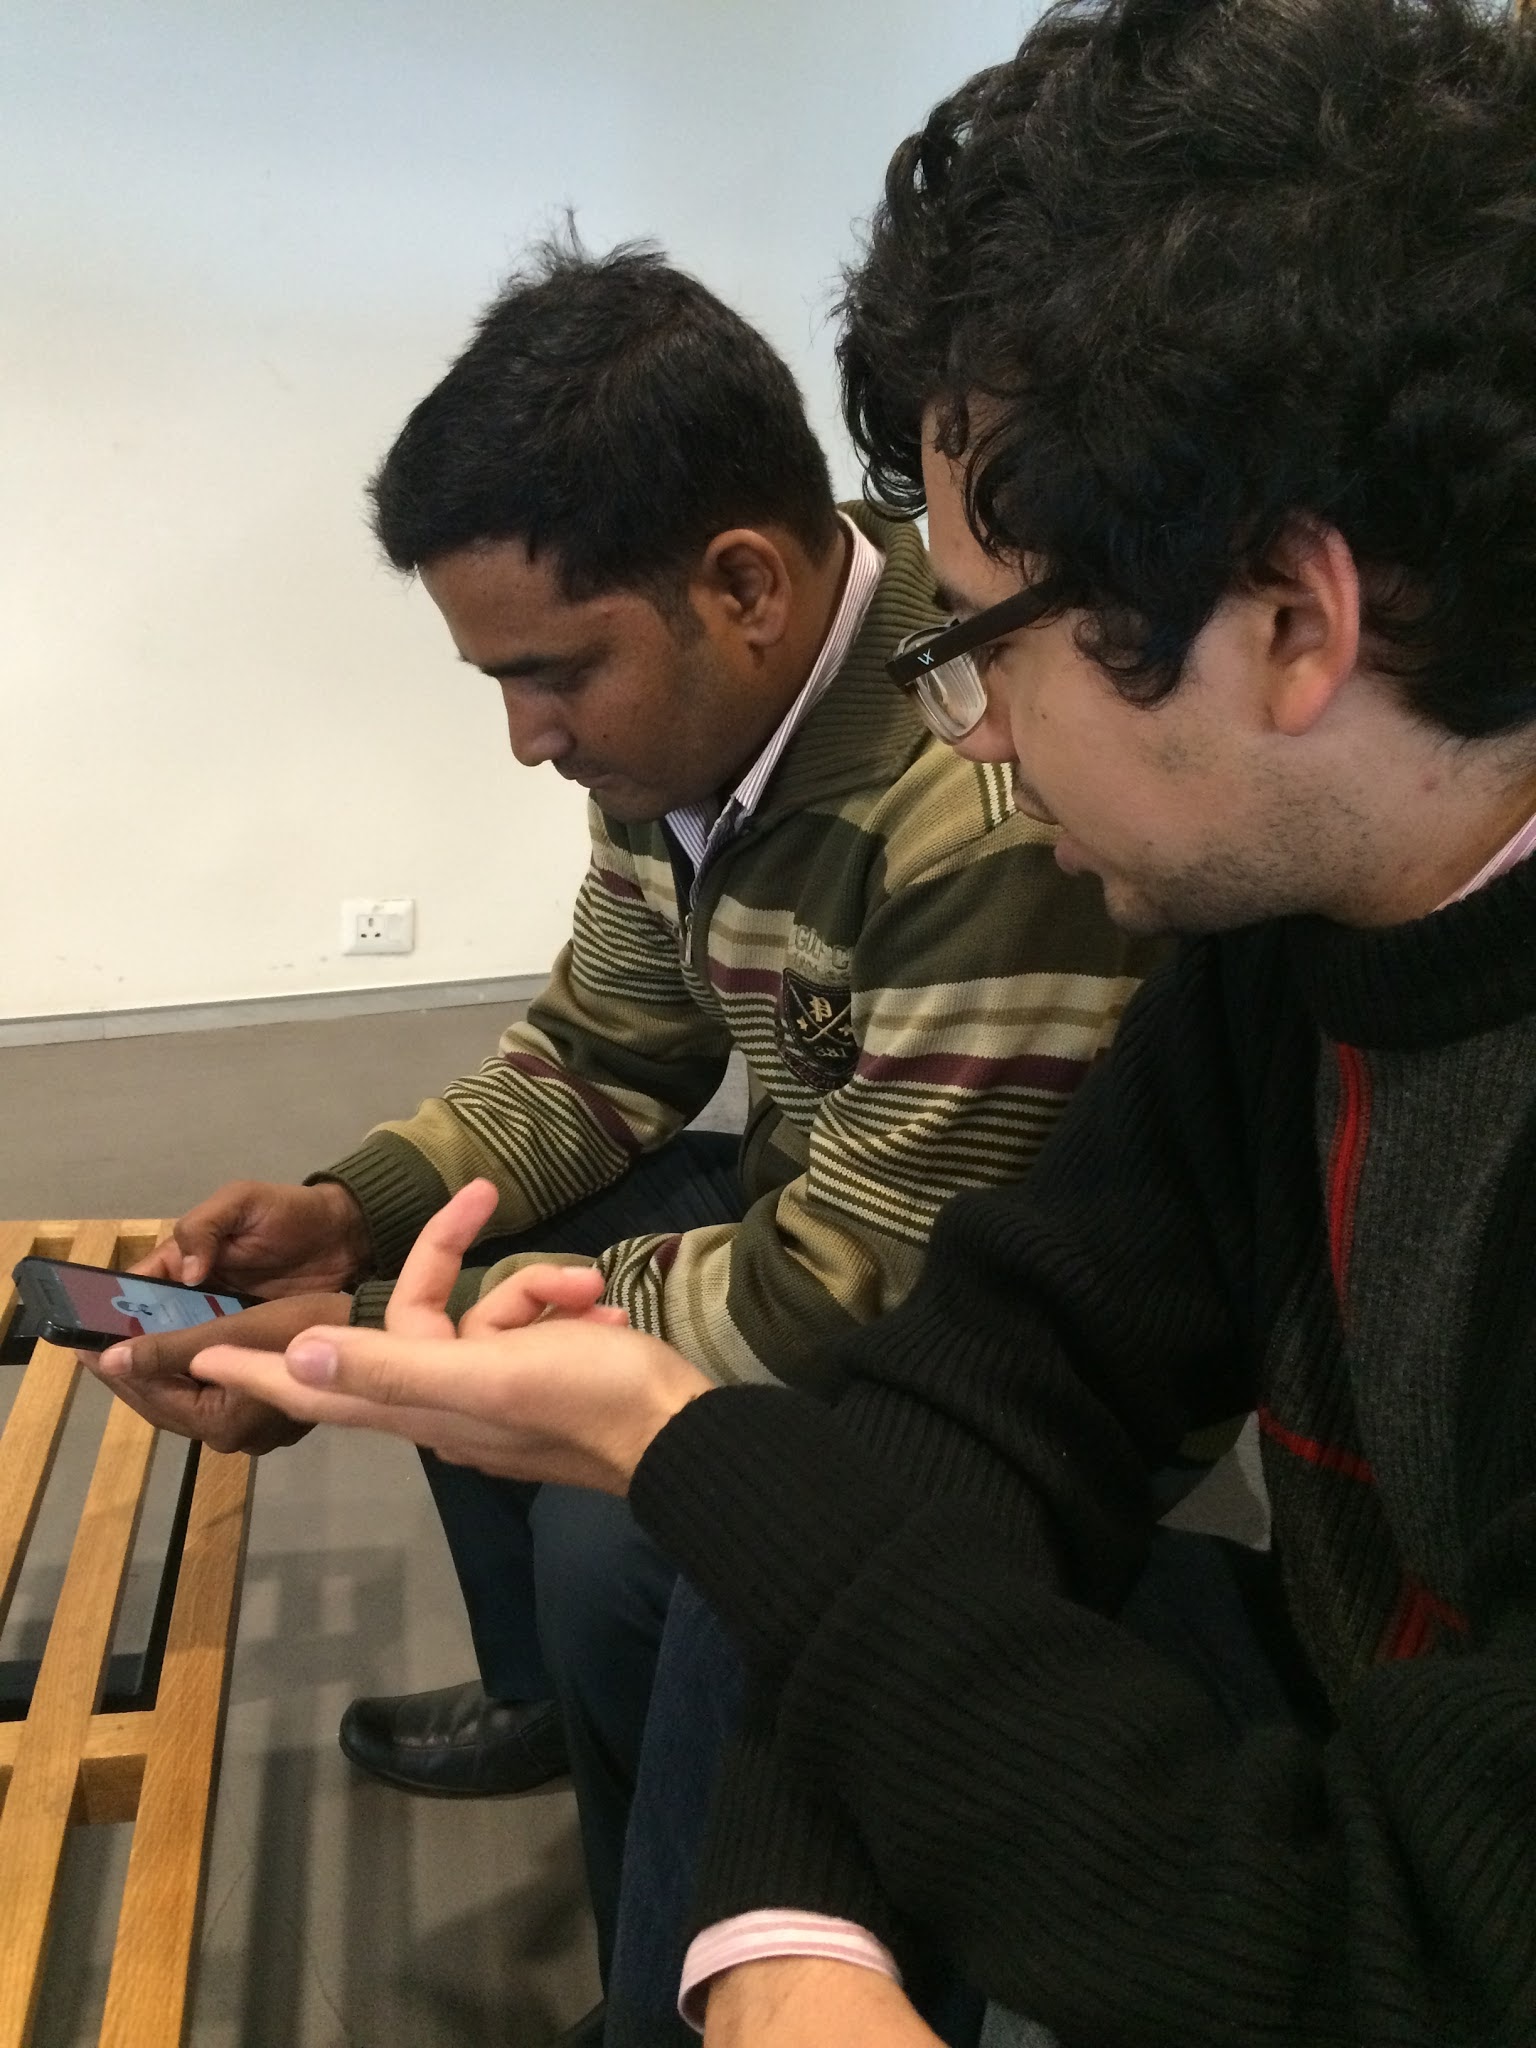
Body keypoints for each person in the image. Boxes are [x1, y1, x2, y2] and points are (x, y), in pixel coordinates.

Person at [188, 0, 1536, 2038]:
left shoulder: (1066, 855)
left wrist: (651, 1420)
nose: (972, 715)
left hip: (1406, 1871)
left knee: (703, 1536)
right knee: (744, 1549)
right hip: (1330, 1706)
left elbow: (1404, 1947)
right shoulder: (1292, 925)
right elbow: (991, 1386)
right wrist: (784, 1931)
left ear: (1290, 624)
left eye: (985, 637)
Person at [90, 239, 1158, 2003]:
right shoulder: (675, 736)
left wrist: (354, 1352)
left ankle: (664, 1964)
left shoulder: (977, 813)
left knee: (621, 1531)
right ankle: (557, 1703)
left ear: (740, 584)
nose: (525, 737)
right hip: (830, 1205)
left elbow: (859, 1298)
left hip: (982, 1334)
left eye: (553, 673)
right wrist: (354, 1219)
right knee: (484, 1238)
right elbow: (607, 1048)